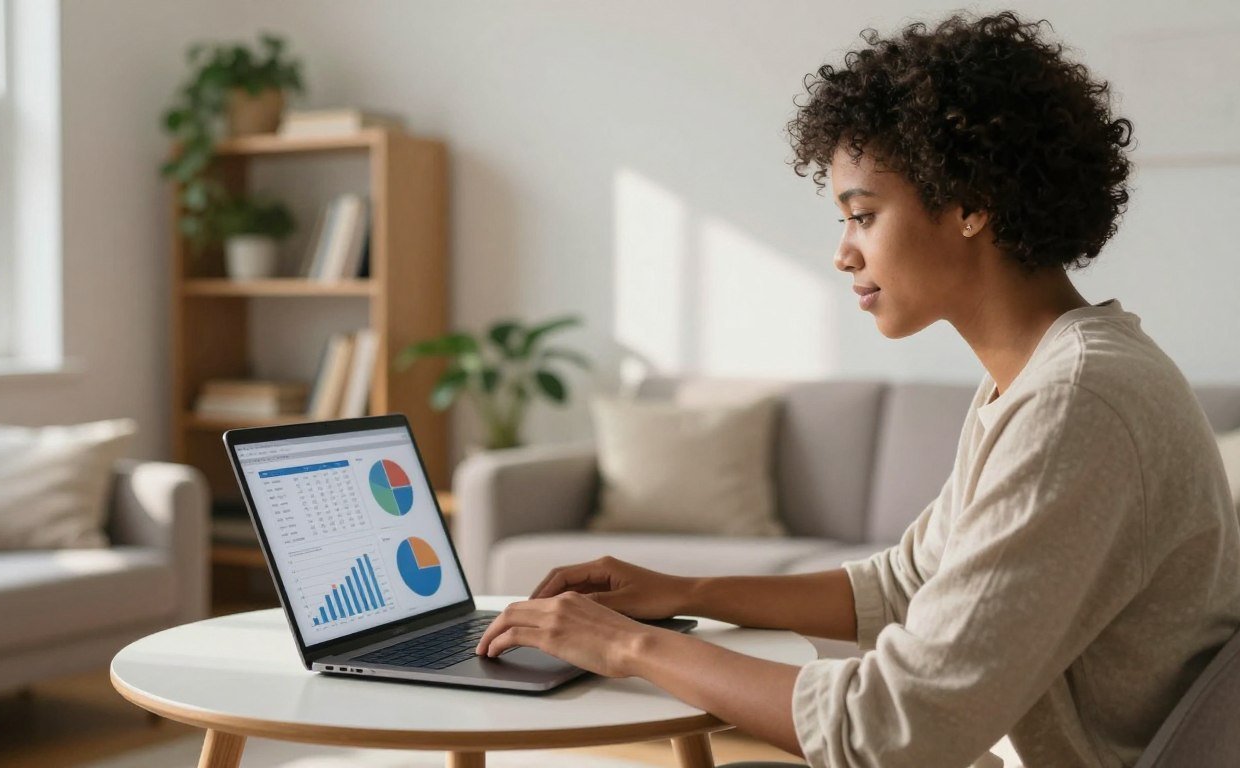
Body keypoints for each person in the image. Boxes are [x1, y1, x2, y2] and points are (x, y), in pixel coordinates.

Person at [476, 10, 1240, 768]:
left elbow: (892, 730)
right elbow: (905, 584)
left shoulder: (1076, 400)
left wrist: (628, 646)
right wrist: (682, 591)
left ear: (972, 204)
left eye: (863, 215)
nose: (843, 253)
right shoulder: (1047, 375)